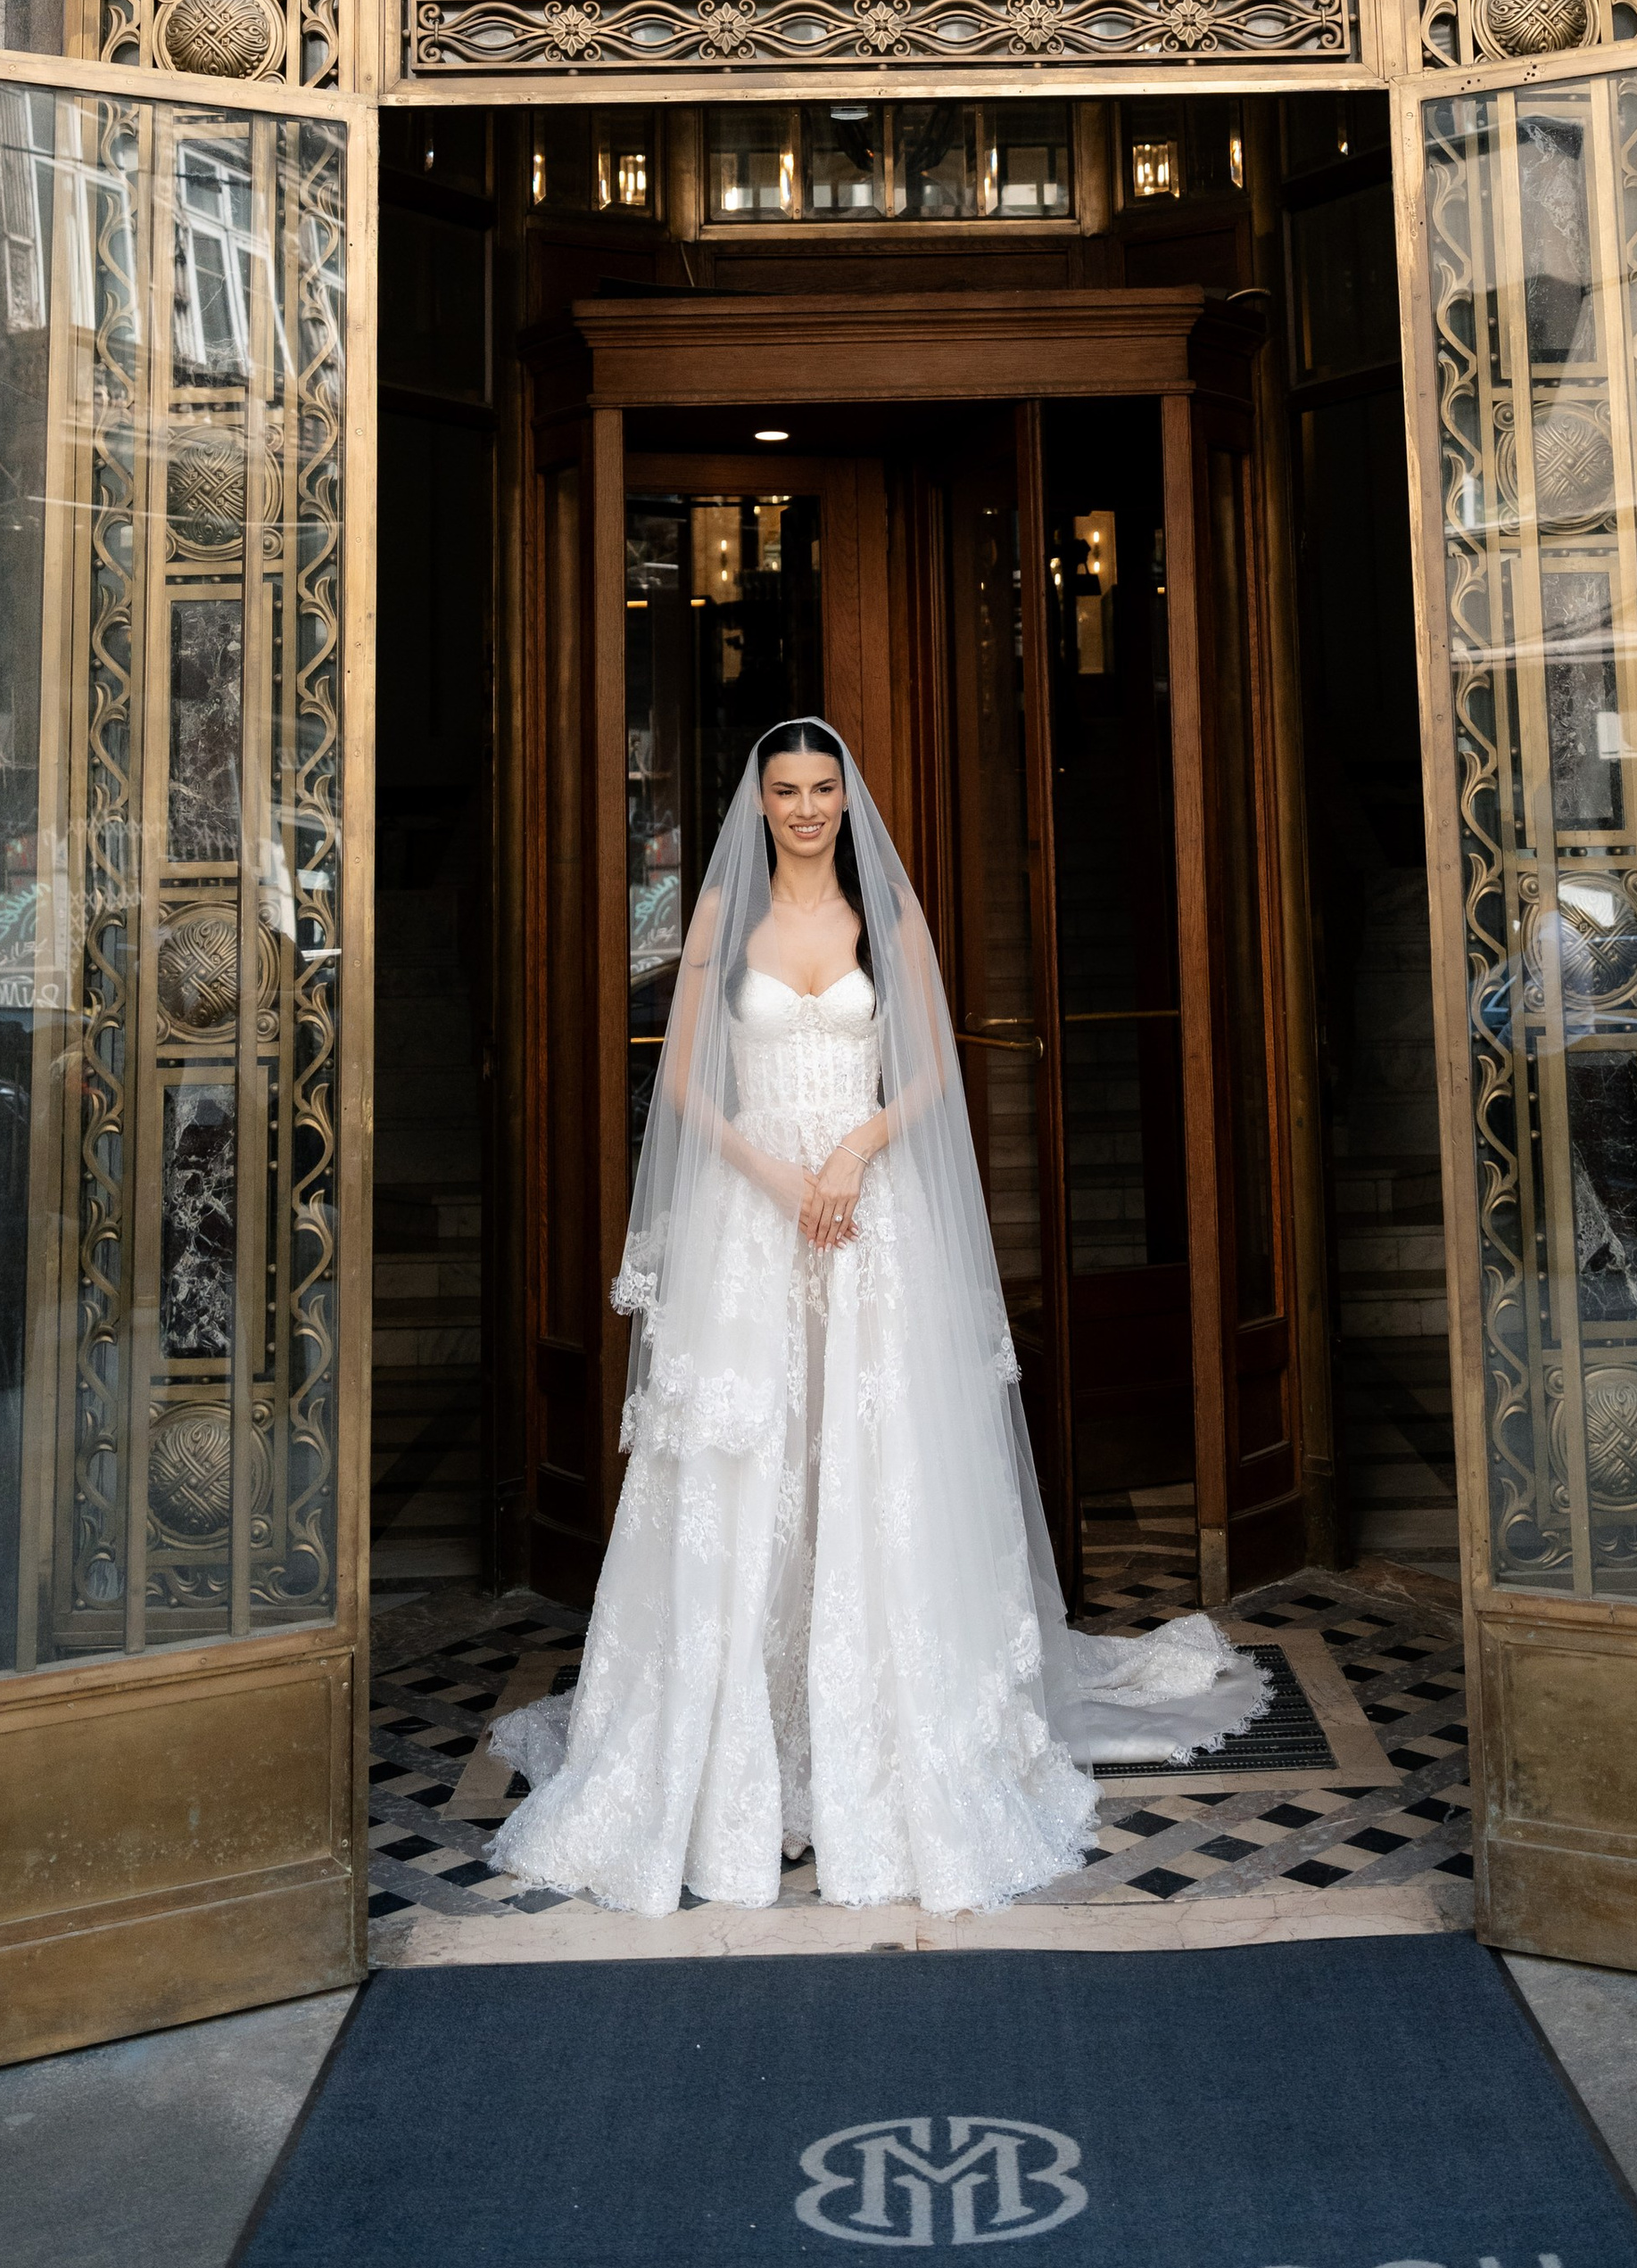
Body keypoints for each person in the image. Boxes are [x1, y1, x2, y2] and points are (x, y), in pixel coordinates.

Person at [489, 718, 1265, 1915]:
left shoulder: (886, 923)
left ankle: (885, 1746)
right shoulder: (719, 919)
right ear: (759, 805)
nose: (805, 808)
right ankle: (729, 1751)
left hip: (866, 1222)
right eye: (785, 790)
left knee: (870, 1460)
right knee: (751, 1465)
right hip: (754, 1224)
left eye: (822, 789)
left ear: (846, 802)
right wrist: (777, 1175)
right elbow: (684, 1081)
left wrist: (854, 1151)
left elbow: (935, 1072)